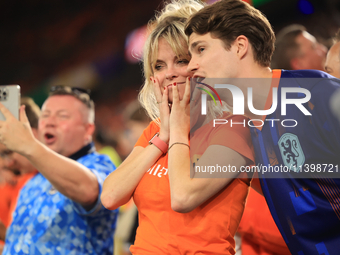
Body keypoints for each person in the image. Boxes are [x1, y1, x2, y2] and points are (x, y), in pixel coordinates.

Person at [185, 0, 340, 254]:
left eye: (200, 49)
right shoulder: (242, 127)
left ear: (239, 46)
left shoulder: (317, 95)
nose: (192, 65)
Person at [101, 0, 254, 254]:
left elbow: (183, 197)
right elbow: (110, 196)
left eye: (181, 60)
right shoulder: (156, 131)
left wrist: (178, 133)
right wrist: (163, 137)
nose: (169, 73)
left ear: (200, 62)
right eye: (159, 66)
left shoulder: (235, 127)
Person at [0, 86, 118, 254]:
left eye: (62, 116)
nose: (49, 121)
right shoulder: (33, 181)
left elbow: (89, 190)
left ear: (88, 130)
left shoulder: (100, 165)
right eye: (45, 115)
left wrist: (29, 146)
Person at [0, 97, 40, 253]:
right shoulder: (18, 183)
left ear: (33, 134)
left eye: (8, 152)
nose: (5, 163)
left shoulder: (58, 181)